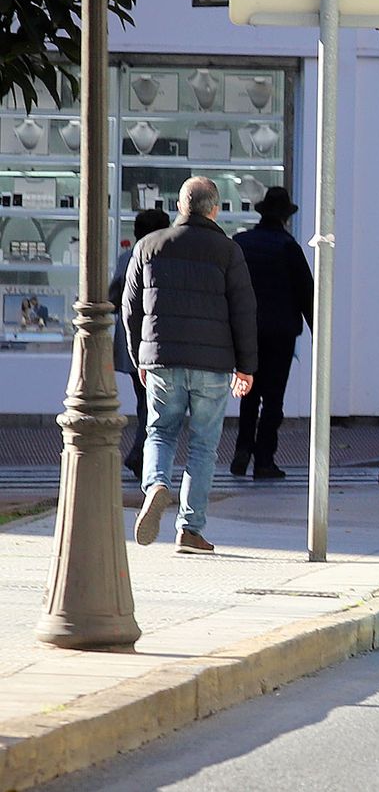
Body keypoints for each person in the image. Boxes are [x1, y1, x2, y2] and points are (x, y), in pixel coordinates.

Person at [124, 176, 258, 555]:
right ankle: (190, 529)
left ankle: (155, 485)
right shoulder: (228, 251)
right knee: (203, 445)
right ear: (213, 209)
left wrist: (140, 358)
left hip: (162, 359)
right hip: (214, 366)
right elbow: (244, 310)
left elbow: (130, 307)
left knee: (160, 432)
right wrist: (246, 367)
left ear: (180, 206)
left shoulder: (148, 246)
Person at [230, 186, 314, 480]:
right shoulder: (288, 248)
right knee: (273, 398)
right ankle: (264, 459)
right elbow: (306, 294)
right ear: (285, 217)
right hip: (280, 334)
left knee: (248, 393)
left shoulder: (241, 243)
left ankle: (242, 450)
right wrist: (318, 332)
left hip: (246, 331)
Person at [108, 208, 171, 478]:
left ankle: (143, 454)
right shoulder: (167, 257)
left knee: (144, 399)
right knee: (155, 403)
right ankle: (141, 455)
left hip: (132, 343)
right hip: (158, 342)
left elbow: (112, 296)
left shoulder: (126, 258)